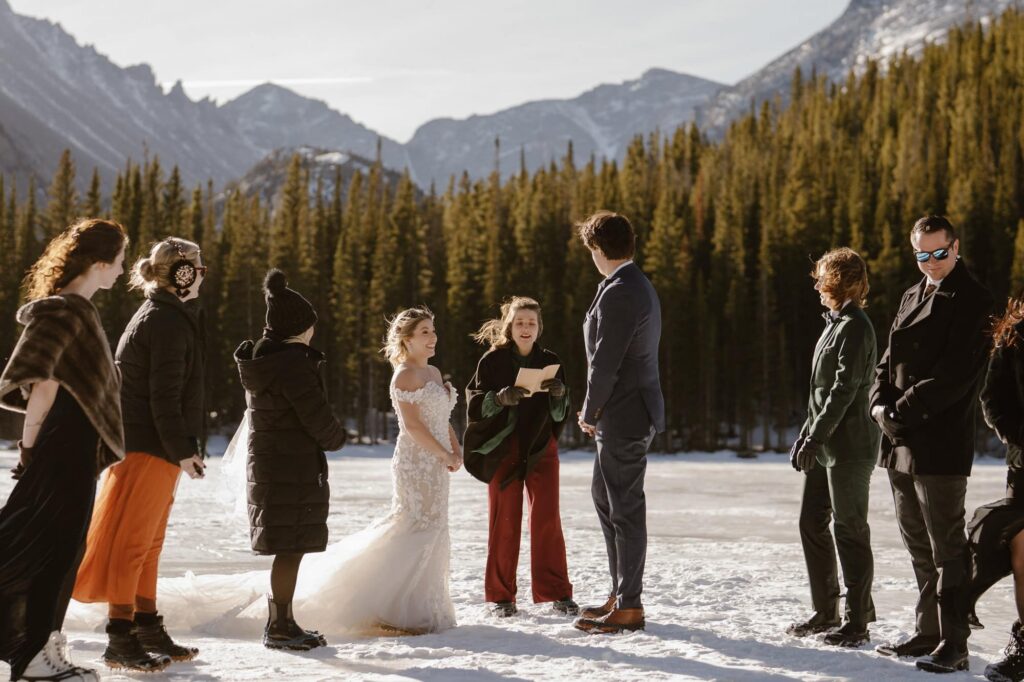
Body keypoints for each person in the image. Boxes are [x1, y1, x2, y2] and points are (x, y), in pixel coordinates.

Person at [0, 218, 128, 682]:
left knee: (57, 547)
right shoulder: (66, 310)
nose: (122, 270)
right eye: (119, 260)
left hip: (72, 446)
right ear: (99, 263)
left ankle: (41, 646)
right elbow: (44, 384)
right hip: (64, 445)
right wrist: (29, 446)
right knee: (50, 549)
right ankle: (33, 655)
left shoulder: (78, 310)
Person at [74, 237, 208, 672]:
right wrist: (182, 449)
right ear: (182, 274)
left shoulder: (165, 315)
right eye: (198, 268)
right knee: (133, 544)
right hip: (148, 446)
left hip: (153, 446)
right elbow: (162, 396)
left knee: (149, 544)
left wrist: (182, 448)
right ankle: (120, 636)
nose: (203, 275)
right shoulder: (164, 321)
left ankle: (146, 624)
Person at [286, 306, 461, 635]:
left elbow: (442, 418)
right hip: (416, 463)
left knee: (435, 526)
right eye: (424, 332)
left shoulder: (434, 373)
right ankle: (392, 609)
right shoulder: (405, 375)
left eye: (433, 330)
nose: (433, 337)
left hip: (437, 463)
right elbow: (413, 426)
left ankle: (423, 608)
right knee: (415, 526)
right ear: (407, 339)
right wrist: (442, 453)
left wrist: (455, 448)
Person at [870, 215, 994, 673]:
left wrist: (900, 411)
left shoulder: (974, 300)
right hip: (899, 439)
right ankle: (928, 631)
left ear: (955, 248)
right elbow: (888, 361)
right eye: (922, 254)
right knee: (917, 542)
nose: (931, 262)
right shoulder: (911, 294)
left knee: (948, 548)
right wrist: (877, 404)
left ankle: (954, 642)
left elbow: (956, 375)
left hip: (938, 439)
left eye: (939, 253)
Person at [235, 269, 347, 650]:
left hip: (273, 468)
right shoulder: (293, 365)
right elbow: (316, 417)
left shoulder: (267, 361)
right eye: (309, 324)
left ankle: (282, 621)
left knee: (288, 547)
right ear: (298, 329)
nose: (313, 331)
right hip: (291, 470)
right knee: (290, 548)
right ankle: (280, 626)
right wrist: (338, 437)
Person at [572, 211, 665, 635]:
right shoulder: (626, 284)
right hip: (624, 411)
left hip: (625, 413)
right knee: (605, 497)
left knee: (624, 507)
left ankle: (630, 606)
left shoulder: (622, 291)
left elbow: (605, 363)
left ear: (597, 248)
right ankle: (620, 593)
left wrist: (590, 410)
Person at [787, 248, 879, 647]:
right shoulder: (835, 324)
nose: (817, 287)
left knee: (849, 528)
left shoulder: (855, 327)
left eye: (821, 279)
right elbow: (820, 393)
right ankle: (826, 610)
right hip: (824, 443)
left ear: (837, 282)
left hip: (850, 445)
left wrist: (815, 436)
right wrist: (806, 434)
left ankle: (857, 621)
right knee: (811, 522)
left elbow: (844, 390)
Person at [464, 296, 576, 618]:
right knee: (504, 521)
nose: (526, 328)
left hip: (541, 448)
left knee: (547, 519)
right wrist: (499, 399)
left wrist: (559, 395)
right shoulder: (492, 361)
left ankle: (557, 592)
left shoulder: (551, 360)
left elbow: (561, 413)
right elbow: (474, 403)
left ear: (539, 327)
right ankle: (502, 597)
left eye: (531, 323)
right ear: (509, 326)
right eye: (520, 322)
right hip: (504, 448)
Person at [966, 297, 1024, 681]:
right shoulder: (1014, 333)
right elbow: (991, 397)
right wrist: (1018, 437)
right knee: (1023, 553)